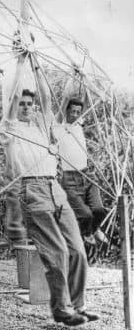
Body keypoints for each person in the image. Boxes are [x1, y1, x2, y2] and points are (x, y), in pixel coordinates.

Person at [0, 53, 99, 326]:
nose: (26, 107)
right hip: (32, 190)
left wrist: (34, 62)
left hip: (55, 189)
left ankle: (78, 305)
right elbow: (10, 101)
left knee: (77, 250)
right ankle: (61, 309)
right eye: (22, 104)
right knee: (57, 253)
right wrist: (20, 64)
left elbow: (45, 97)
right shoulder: (9, 129)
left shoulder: (42, 125)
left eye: (29, 104)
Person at [55, 80, 108, 246]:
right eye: (72, 112)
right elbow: (65, 99)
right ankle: (87, 233)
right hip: (70, 180)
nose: (75, 115)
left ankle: (93, 230)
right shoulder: (59, 127)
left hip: (87, 175)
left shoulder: (79, 124)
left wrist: (82, 78)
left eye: (78, 112)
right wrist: (71, 76)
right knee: (85, 215)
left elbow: (86, 101)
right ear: (67, 111)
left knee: (99, 211)